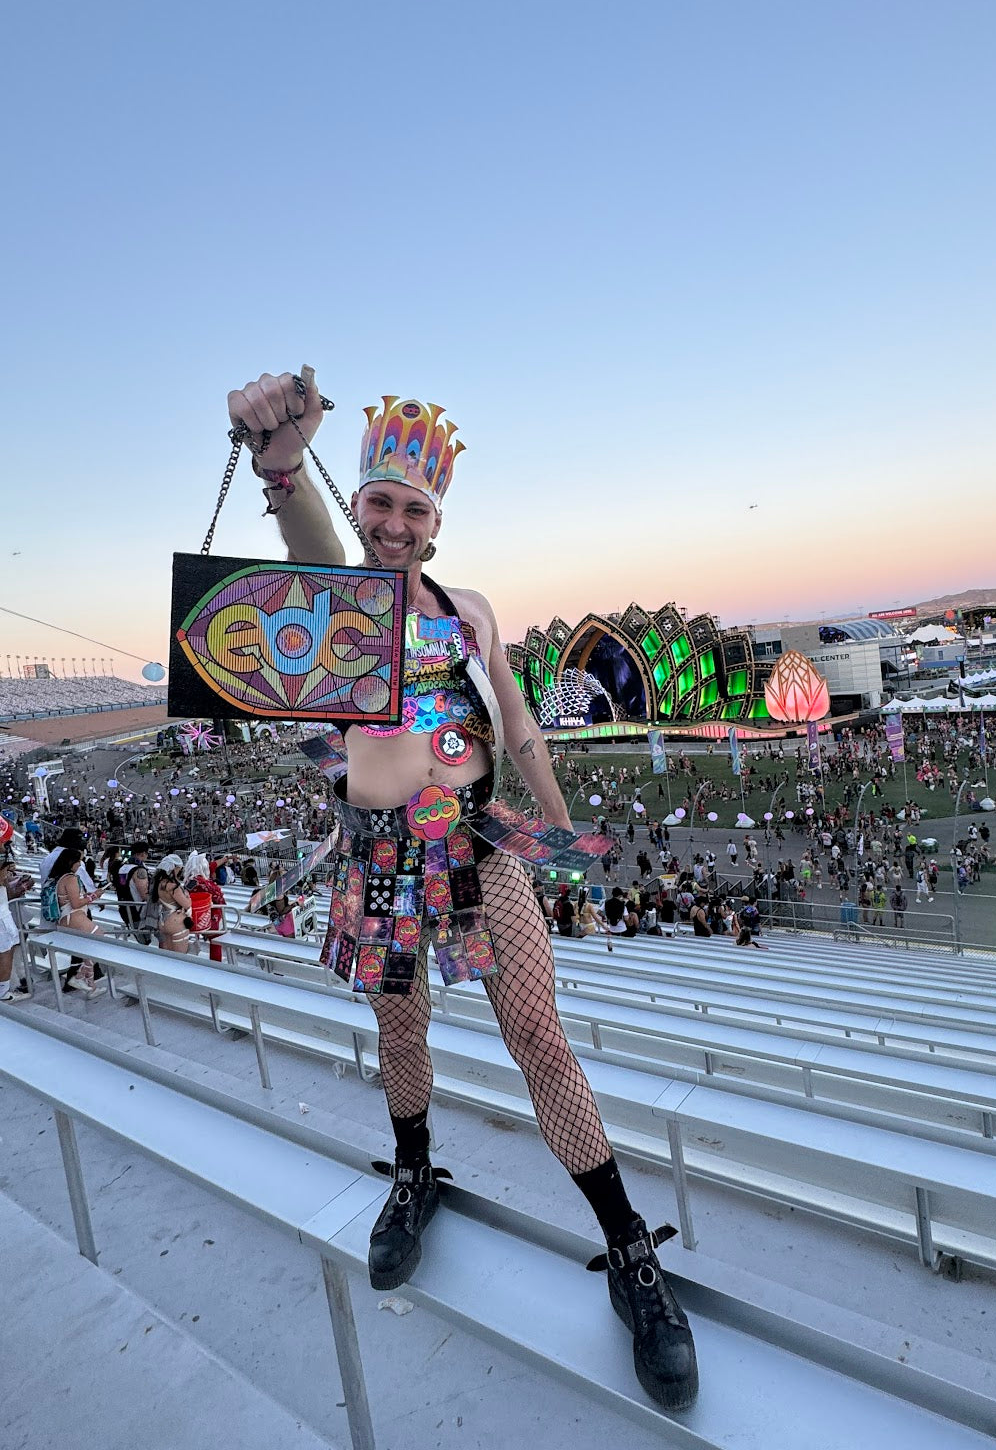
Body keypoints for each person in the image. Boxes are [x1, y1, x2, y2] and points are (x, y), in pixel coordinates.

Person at [225, 368, 696, 1405]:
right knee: (402, 1038)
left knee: (543, 1042)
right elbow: (311, 544)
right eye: (379, 503)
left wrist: (562, 835)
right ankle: (412, 1174)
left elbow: (518, 727)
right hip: (382, 859)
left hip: (481, 847)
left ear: (437, 521)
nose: (394, 524)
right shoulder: (340, 607)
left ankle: (628, 1247)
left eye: (414, 508)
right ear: (360, 506)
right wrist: (283, 468)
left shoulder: (472, 610)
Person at [41, 847, 107, 994]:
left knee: (87, 950)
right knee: (100, 937)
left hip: (67, 917)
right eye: (78, 861)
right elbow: (76, 903)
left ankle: (91, 986)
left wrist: (89, 896)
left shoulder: (60, 878)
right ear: (71, 862)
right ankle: (79, 977)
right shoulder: (71, 878)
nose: (80, 864)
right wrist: (94, 896)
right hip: (73, 916)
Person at [0, 857, 34, 1003]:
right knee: (8, 955)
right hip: (5, 921)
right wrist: (22, 887)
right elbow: (8, 894)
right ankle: (5, 992)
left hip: (7, 919)